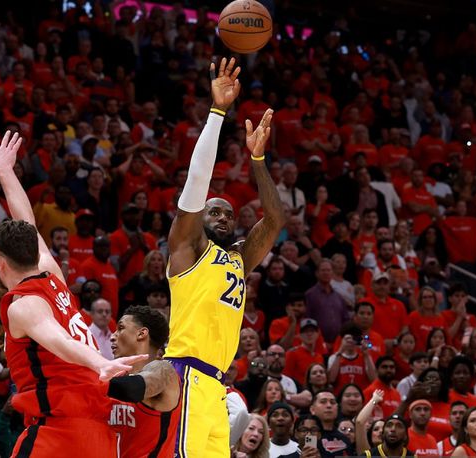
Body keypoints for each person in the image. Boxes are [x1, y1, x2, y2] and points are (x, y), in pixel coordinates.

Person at [0, 130, 145, 456]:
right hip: (97, 431)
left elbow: (60, 341)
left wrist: (100, 362)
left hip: (58, 431)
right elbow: (26, 221)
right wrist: (5, 172)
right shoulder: (52, 273)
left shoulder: (24, 305)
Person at [163, 58, 285, 456]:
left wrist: (258, 160)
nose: (223, 218)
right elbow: (197, 180)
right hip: (185, 374)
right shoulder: (187, 247)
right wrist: (217, 112)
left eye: (229, 215)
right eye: (214, 212)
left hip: (217, 385)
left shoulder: (237, 259)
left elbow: (275, 220)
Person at [107, 305, 182, 458]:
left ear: (141, 333)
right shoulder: (117, 378)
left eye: (120, 328)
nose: (112, 336)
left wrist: (88, 378)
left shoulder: (164, 371)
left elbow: (132, 389)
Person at [310, 390, 354, 456]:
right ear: (312, 409)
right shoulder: (309, 436)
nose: (329, 405)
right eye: (323, 402)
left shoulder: (344, 438)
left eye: (332, 402)